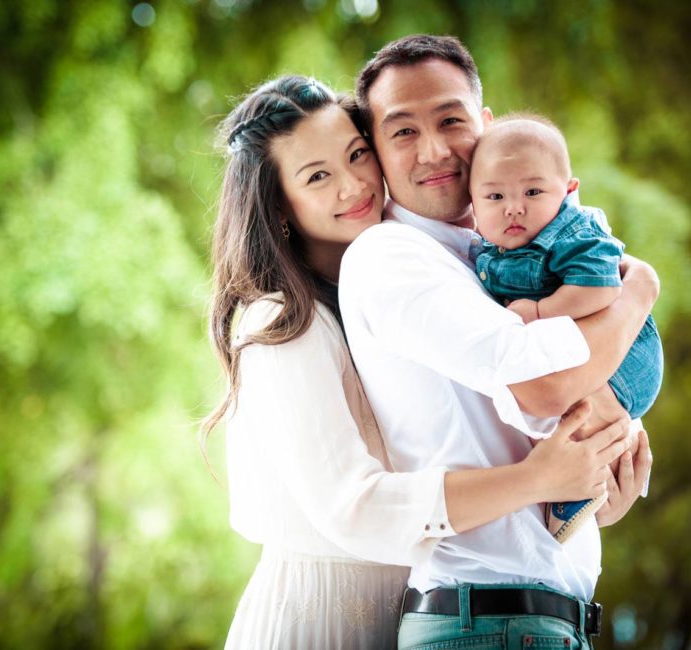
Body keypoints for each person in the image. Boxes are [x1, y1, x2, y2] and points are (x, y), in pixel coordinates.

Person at [203, 75, 632, 649]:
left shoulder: (401, 285)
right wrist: (534, 480)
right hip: (322, 620)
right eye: (318, 176)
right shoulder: (281, 323)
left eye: (357, 155)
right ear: (280, 205)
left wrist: (589, 491)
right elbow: (352, 506)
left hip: (417, 609)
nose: (353, 184)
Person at [339, 35, 657, 648]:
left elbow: (546, 422)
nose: (434, 150)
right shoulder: (393, 256)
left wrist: (601, 492)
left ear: (485, 126)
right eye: (402, 132)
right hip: (484, 620)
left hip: (536, 617)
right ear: (376, 153)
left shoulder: (492, 255)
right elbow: (541, 387)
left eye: (450, 120)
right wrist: (639, 290)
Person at [469, 113, 664, 542]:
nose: (514, 206)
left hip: (629, 360)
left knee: (575, 414)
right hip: (592, 354)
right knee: (551, 419)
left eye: (533, 192)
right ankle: (586, 489)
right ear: (474, 203)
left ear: (569, 190)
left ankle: (582, 493)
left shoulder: (575, 231)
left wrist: (540, 313)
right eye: (495, 196)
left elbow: (599, 288)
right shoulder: (486, 249)